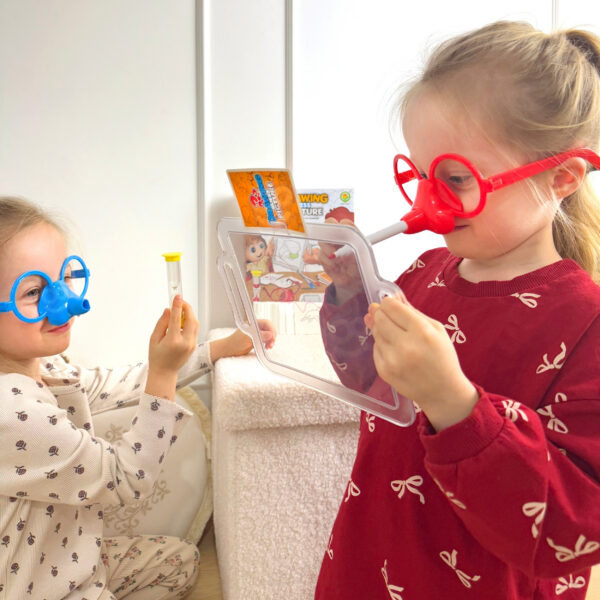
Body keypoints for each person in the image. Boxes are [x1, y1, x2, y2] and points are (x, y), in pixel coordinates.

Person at [315, 21, 600, 599]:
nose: (427, 202)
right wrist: (350, 296)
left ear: (561, 178)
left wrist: (454, 403)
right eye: (421, 176)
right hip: (371, 564)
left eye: (453, 178)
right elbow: (371, 382)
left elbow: (574, 526)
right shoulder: (425, 272)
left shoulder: (585, 322)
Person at [0, 196, 275, 599]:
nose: (66, 302)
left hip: (69, 560)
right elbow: (127, 477)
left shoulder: (45, 365)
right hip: (38, 589)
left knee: (178, 561)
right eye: (34, 292)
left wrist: (213, 351)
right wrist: (164, 373)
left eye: (64, 279)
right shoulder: (12, 413)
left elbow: (118, 384)